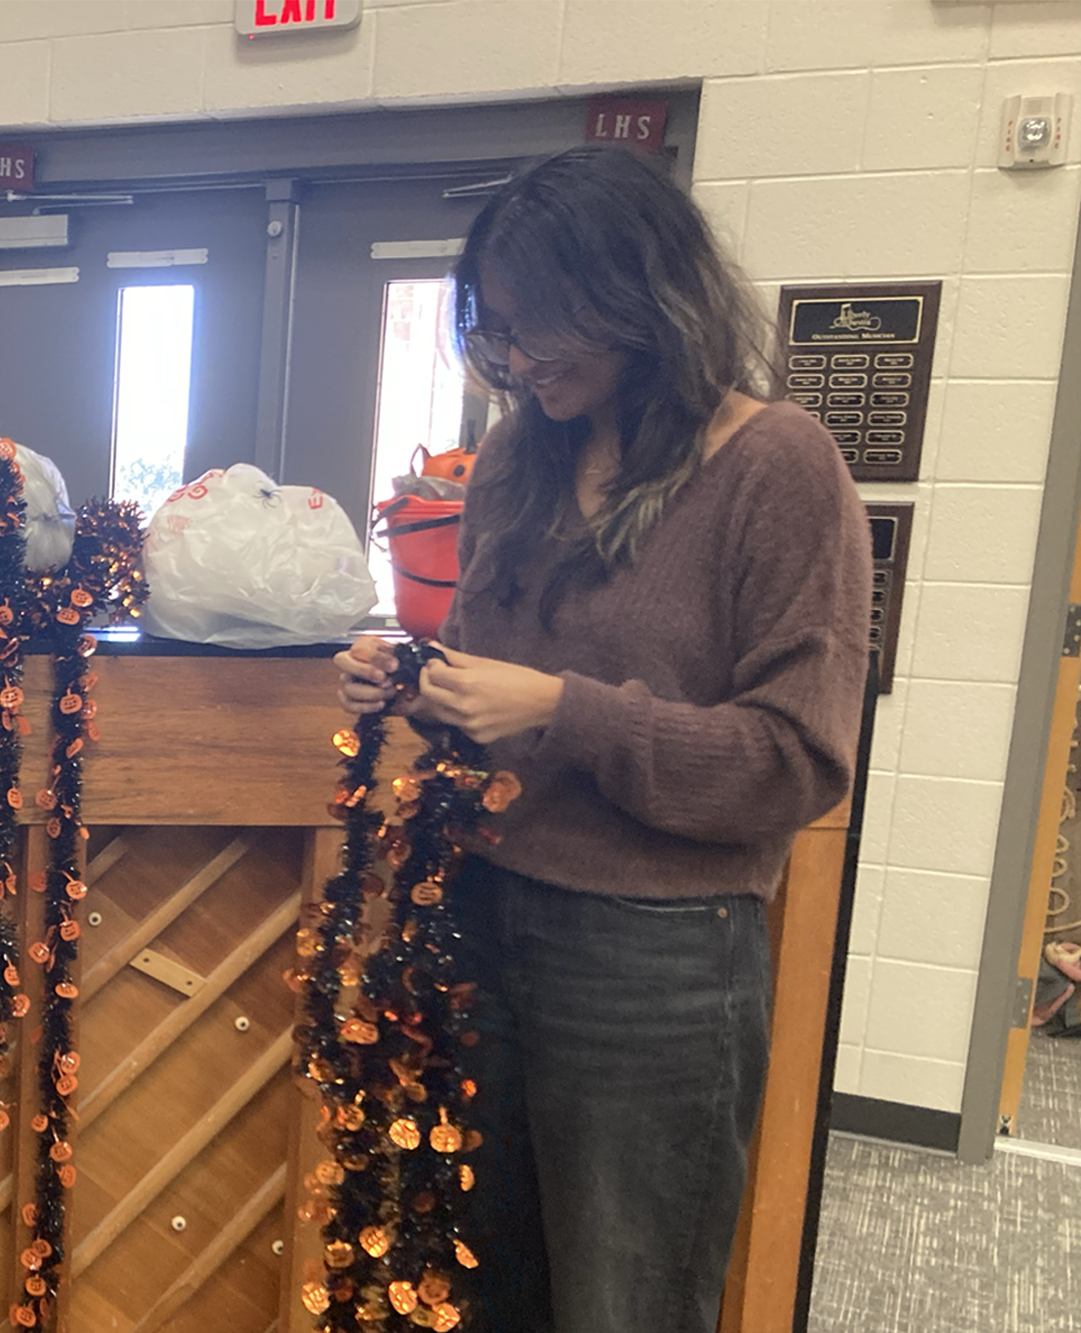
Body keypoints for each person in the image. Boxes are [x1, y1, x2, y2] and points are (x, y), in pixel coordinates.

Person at [335, 146, 870, 1333]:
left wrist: (560, 708)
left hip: (658, 958)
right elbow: (491, 682)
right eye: (500, 333)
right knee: (473, 1287)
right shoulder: (521, 452)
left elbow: (793, 760)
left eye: (543, 331)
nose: (518, 364)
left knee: (624, 1299)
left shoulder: (778, 465)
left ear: (641, 298)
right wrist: (415, 684)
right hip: (489, 914)